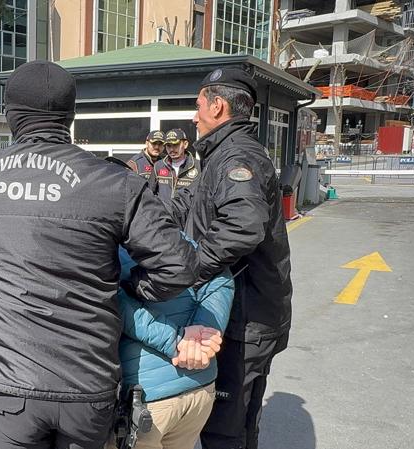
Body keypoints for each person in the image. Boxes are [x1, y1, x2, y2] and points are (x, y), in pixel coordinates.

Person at [0, 60, 199, 449]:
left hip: (6, 385)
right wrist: (128, 286)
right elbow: (179, 266)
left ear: (11, 115)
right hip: (86, 385)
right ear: (70, 116)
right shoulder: (116, 182)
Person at [163, 68, 292, 449]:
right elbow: (187, 207)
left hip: (246, 318)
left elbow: (242, 227)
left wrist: (189, 271)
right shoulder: (221, 155)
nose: (194, 116)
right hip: (247, 313)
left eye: (198, 106)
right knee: (238, 423)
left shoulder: (237, 157)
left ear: (217, 106)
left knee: (224, 428)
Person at [112, 246, 233, 449]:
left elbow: (112, 300)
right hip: (199, 387)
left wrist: (178, 341)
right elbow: (220, 276)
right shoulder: (180, 239)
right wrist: (203, 338)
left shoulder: (105, 246)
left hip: (145, 397)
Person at [154, 128, 200, 201]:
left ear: (185, 144)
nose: (171, 149)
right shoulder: (158, 166)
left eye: (175, 145)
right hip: (163, 208)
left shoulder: (199, 166)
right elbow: (150, 194)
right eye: (168, 146)